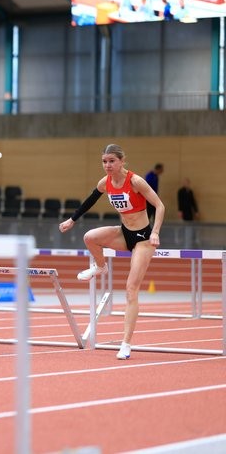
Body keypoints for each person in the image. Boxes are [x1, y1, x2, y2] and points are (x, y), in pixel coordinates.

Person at [59, 143, 164, 360]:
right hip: (124, 232)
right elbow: (89, 201)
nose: (107, 165)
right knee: (90, 237)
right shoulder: (105, 183)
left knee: (130, 290)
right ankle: (100, 266)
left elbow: (160, 206)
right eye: (104, 161)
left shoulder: (135, 181)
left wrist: (155, 232)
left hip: (143, 238)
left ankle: (126, 343)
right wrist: (72, 220)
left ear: (122, 161)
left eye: (112, 161)